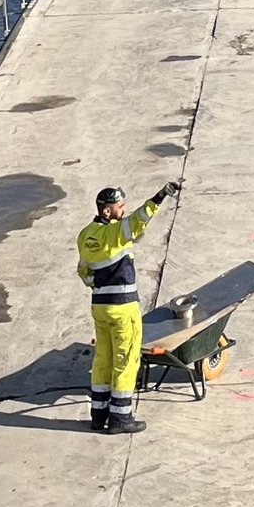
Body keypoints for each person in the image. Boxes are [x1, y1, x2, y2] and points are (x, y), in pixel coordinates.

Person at [77, 180, 178, 435]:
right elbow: (137, 221)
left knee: (103, 358)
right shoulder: (114, 233)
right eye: (120, 206)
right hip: (123, 307)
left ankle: (98, 415)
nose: (124, 209)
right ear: (106, 211)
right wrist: (159, 198)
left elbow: (85, 273)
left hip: (100, 307)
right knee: (126, 360)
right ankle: (121, 418)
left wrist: (101, 286)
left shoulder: (85, 235)